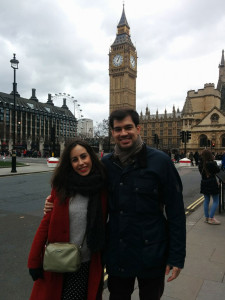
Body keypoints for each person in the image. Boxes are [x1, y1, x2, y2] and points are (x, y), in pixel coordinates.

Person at [44, 109, 186, 300]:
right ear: (112, 133)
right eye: (118, 129)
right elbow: (82, 186)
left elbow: (176, 212)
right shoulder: (105, 164)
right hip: (118, 253)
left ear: (138, 128)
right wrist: (54, 201)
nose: (123, 133)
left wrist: (176, 256)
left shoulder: (160, 162)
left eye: (128, 127)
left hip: (152, 251)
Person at [28, 140, 107, 300]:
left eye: (84, 156)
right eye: (75, 159)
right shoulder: (61, 187)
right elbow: (46, 224)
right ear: (69, 164)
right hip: (58, 260)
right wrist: (34, 260)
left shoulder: (102, 187)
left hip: (87, 263)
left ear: (91, 157)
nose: (81, 163)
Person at [198, 149, 221, 225]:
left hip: (204, 182)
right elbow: (218, 170)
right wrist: (214, 161)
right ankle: (211, 218)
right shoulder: (211, 163)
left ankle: (207, 218)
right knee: (216, 200)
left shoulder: (201, 164)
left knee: (206, 200)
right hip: (212, 182)